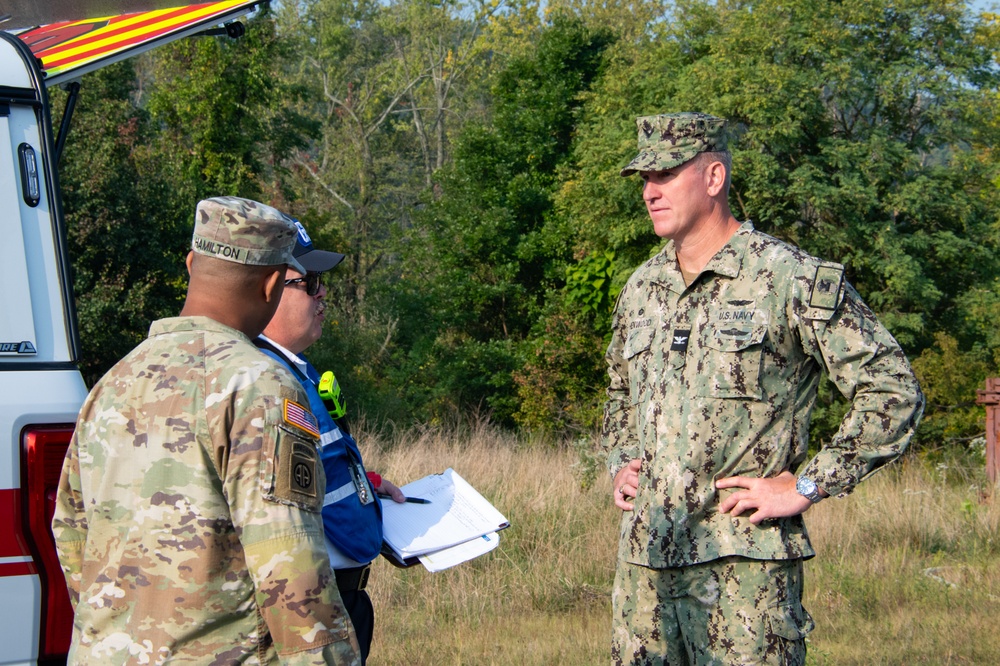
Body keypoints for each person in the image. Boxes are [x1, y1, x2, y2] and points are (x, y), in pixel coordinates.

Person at [603, 113, 924, 666]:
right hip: (644, 574)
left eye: (665, 174)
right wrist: (621, 458)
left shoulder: (787, 277)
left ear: (713, 177)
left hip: (743, 575)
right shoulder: (642, 289)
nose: (650, 192)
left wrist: (807, 484)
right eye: (643, 180)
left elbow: (892, 391)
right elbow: (617, 390)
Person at [52, 196, 361, 665]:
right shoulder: (259, 385)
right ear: (274, 283)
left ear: (192, 263)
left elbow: (72, 534)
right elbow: (292, 570)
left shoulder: (112, 383)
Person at [253, 221, 405, 665]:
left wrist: (365, 482)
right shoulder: (265, 382)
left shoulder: (298, 369)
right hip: (308, 609)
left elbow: (314, 463)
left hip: (343, 599)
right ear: (270, 290)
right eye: (311, 283)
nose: (323, 295)